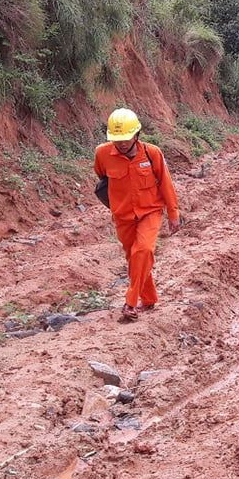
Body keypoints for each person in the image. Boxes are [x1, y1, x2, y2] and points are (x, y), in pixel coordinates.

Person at [94, 108, 182, 321]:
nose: (122, 143)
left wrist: (173, 213)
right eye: (117, 139)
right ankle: (149, 298)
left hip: (150, 212)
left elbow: (166, 183)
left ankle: (130, 302)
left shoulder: (152, 154)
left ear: (136, 134)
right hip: (123, 216)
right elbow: (102, 177)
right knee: (135, 258)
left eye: (126, 138)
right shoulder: (103, 154)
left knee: (143, 251)